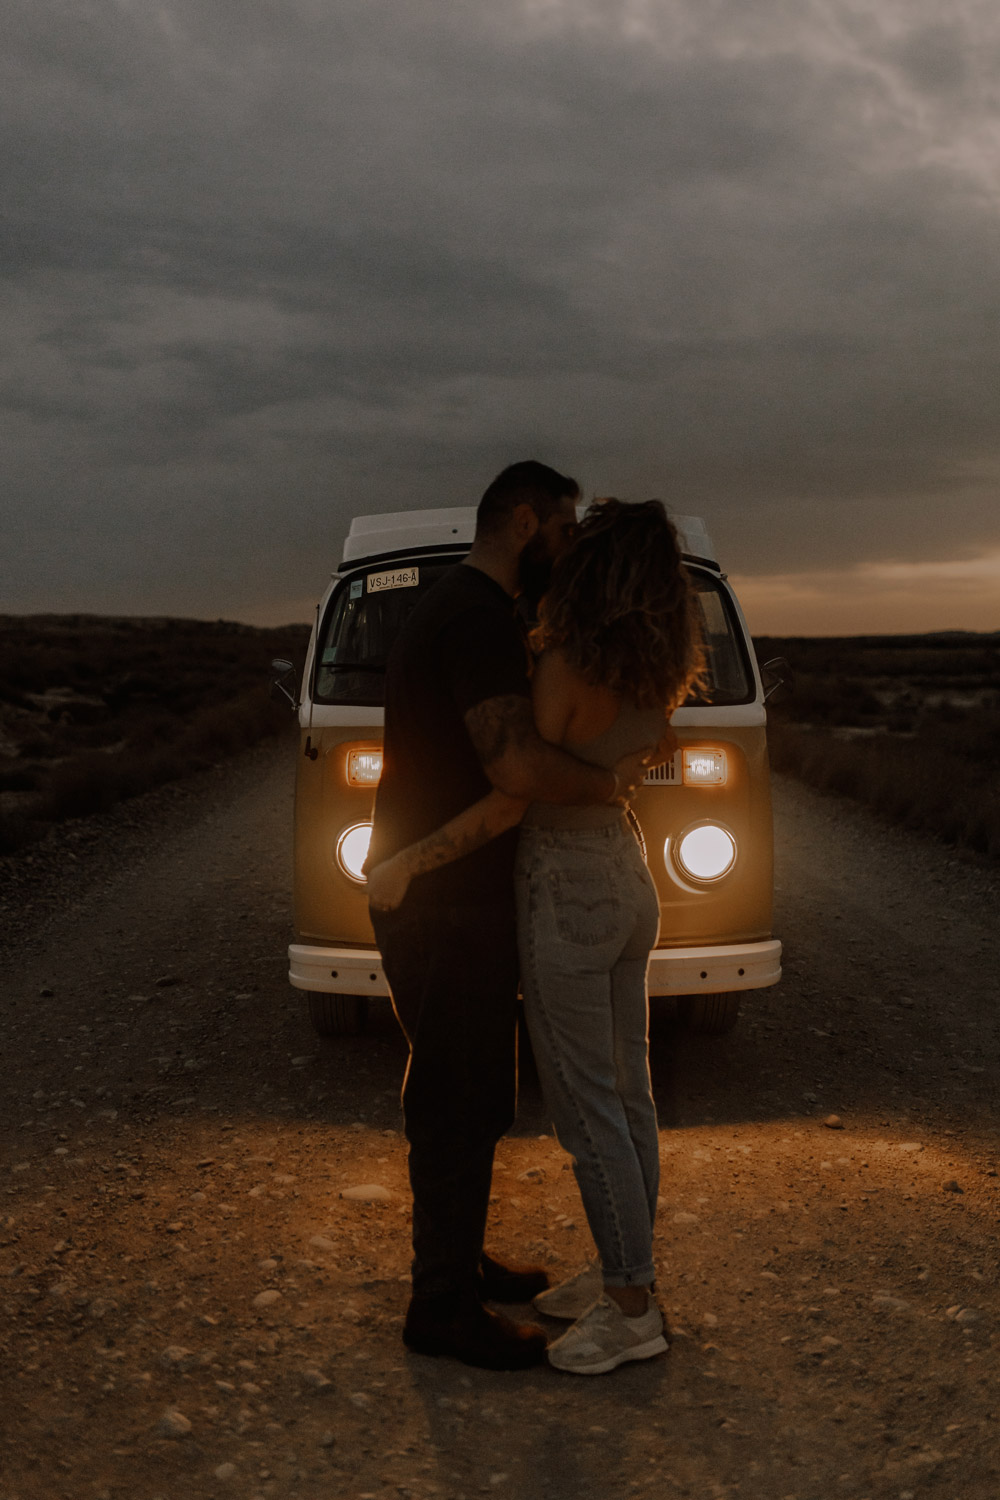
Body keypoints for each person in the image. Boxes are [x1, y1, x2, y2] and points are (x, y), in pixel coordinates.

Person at [368, 498, 705, 1375]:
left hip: (567, 888)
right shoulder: (658, 666)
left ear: (593, 572)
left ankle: (633, 1307)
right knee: (630, 1097)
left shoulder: (561, 665)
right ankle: (620, 1273)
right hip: (628, 879)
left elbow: (516, 790)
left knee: (588, 1109)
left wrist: (413, 859)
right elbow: (645, 753)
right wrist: (608, 778)